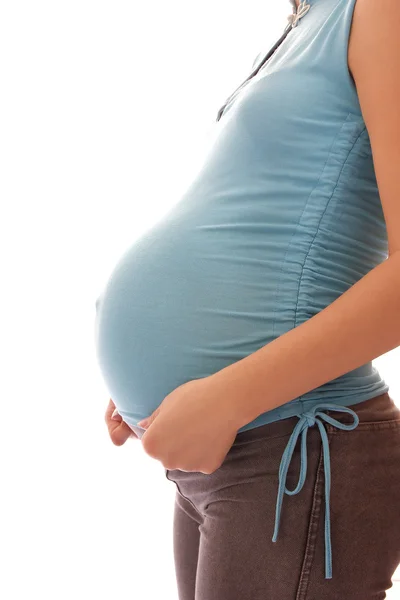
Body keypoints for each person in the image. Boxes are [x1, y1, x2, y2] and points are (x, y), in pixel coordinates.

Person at [97, 0, 400, 597]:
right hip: (237, 448)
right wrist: (160, 369)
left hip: (295, 446)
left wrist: (226, 394)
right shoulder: (308, 21)